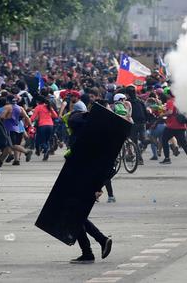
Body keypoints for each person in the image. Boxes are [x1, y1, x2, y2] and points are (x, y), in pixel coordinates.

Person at [65, 102, 113, 264]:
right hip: (87, 181)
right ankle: (92, 248)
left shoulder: (82, 135)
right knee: (77, 215)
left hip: (81, 181)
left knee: (75, 215)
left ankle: (96, 245)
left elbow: (72, 119)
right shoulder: (98, 136)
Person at [159, 90, 187, 166]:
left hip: (172, 126)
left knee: (164, 140)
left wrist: (162, 115)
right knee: (184, 143)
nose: (166, 96)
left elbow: (170, 112)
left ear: (169, 95)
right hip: (181, 126)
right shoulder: (180, 101)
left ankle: (167, 158)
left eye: (167, 94)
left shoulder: (170, 101)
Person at [0, 95, 33, 165]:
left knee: (12, 145)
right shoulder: (20, 108)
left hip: (8, 129)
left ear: (7, 101)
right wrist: (30, 126)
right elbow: (26, 117)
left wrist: (1, 121)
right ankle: (0, 162)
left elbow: (2, 117)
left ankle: (26, 152)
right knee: (8, 145)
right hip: (18, 129)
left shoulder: (7, 107)